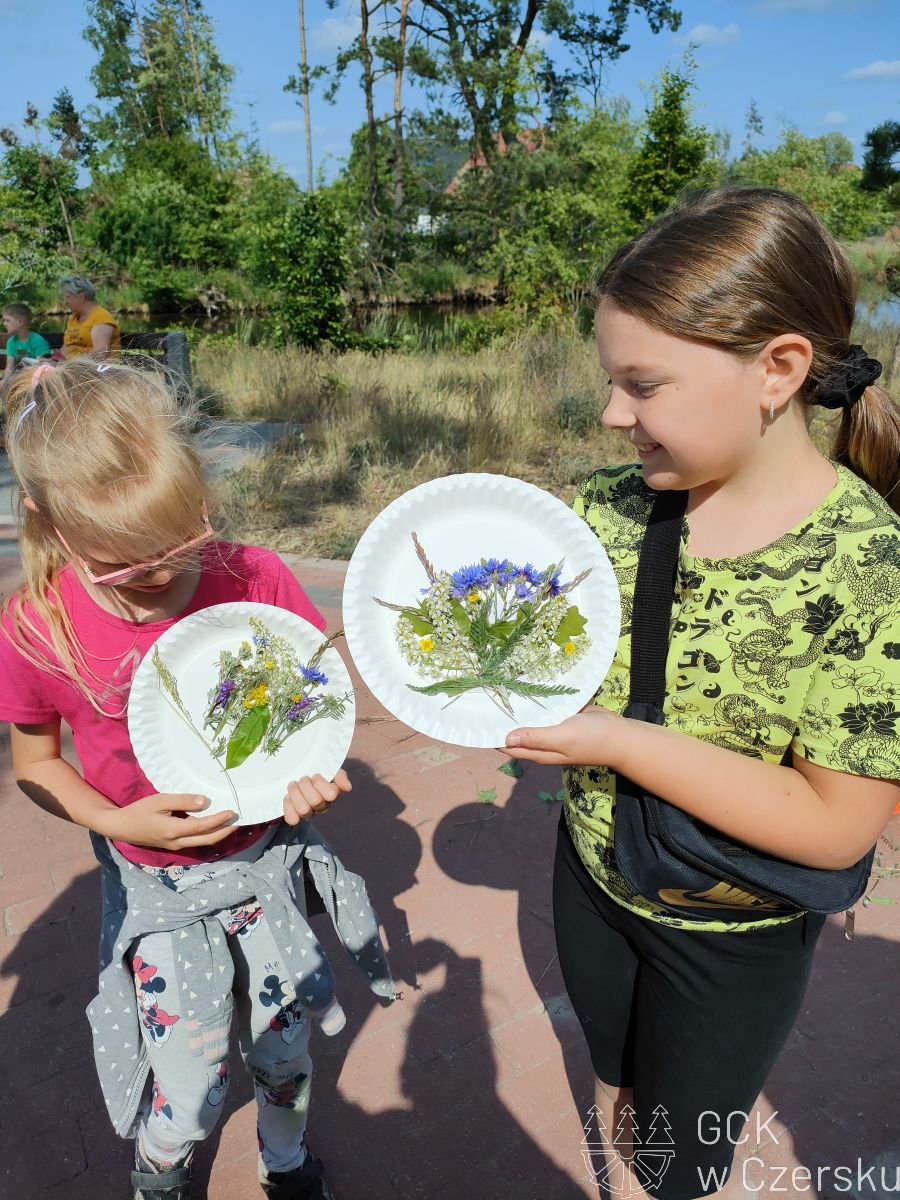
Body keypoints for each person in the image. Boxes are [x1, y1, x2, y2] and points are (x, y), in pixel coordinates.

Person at [504, 187, 900, 1200]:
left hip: (731, 933)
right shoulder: (603, 510)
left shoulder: (867, 570)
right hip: (590, 873)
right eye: (610, 381)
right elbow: (525, 645)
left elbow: (834, 828)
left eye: (644, 384)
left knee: (682, 1155)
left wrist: (620, 744)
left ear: (778, 370)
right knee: (615, 1076)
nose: (610, 413)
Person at [0, 359, 394, 1200]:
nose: (162, 577)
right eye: (125, 567)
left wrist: (310, 776)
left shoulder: (254, 579)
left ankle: (286, 1164)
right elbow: (36, 764)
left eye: (182, 544)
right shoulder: (39, 625)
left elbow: (310, 711)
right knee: (191, 1066)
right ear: (47, 521)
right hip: (158, 883)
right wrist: (118, 824)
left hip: (269, 863)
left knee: (284, 1047)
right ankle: (164, 1166)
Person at [59, 274, 122, 358]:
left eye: (68, 297)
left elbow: (100, 353)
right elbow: (66, 348)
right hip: (71, 367)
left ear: (81, 297)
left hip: (95, 369)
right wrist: (49, 361)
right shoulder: (73, 319)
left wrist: (74, 366)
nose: (65, 302)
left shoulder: (101, 317)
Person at [2, 302, 52, 376]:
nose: (4, 324)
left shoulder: (38, 342)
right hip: (20, 377)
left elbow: (43, 372)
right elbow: (9, 371)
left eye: (7, 320)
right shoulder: (11, 341)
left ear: (20, 322)